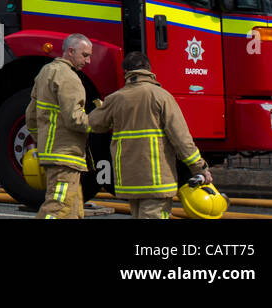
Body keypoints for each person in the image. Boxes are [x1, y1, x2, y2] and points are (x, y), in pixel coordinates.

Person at [88, 51, 213, 219]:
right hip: (156, 179)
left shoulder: (115, 99)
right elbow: (182, 139)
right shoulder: (161, 96)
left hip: (129, 180)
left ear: (126, 73)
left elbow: (93, 123)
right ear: (149, 69)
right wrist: (200, 167)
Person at [25, 33, 94, 218]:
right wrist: (99, 121)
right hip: (66, 157)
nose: (88, 61)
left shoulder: (46, 72)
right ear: (71, 51)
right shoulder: (69, 77)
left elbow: (31, 117)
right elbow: (75, 118)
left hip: (52, 155)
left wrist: (44, 141)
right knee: (58, 207)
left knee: (74, 211)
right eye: (85, 55)